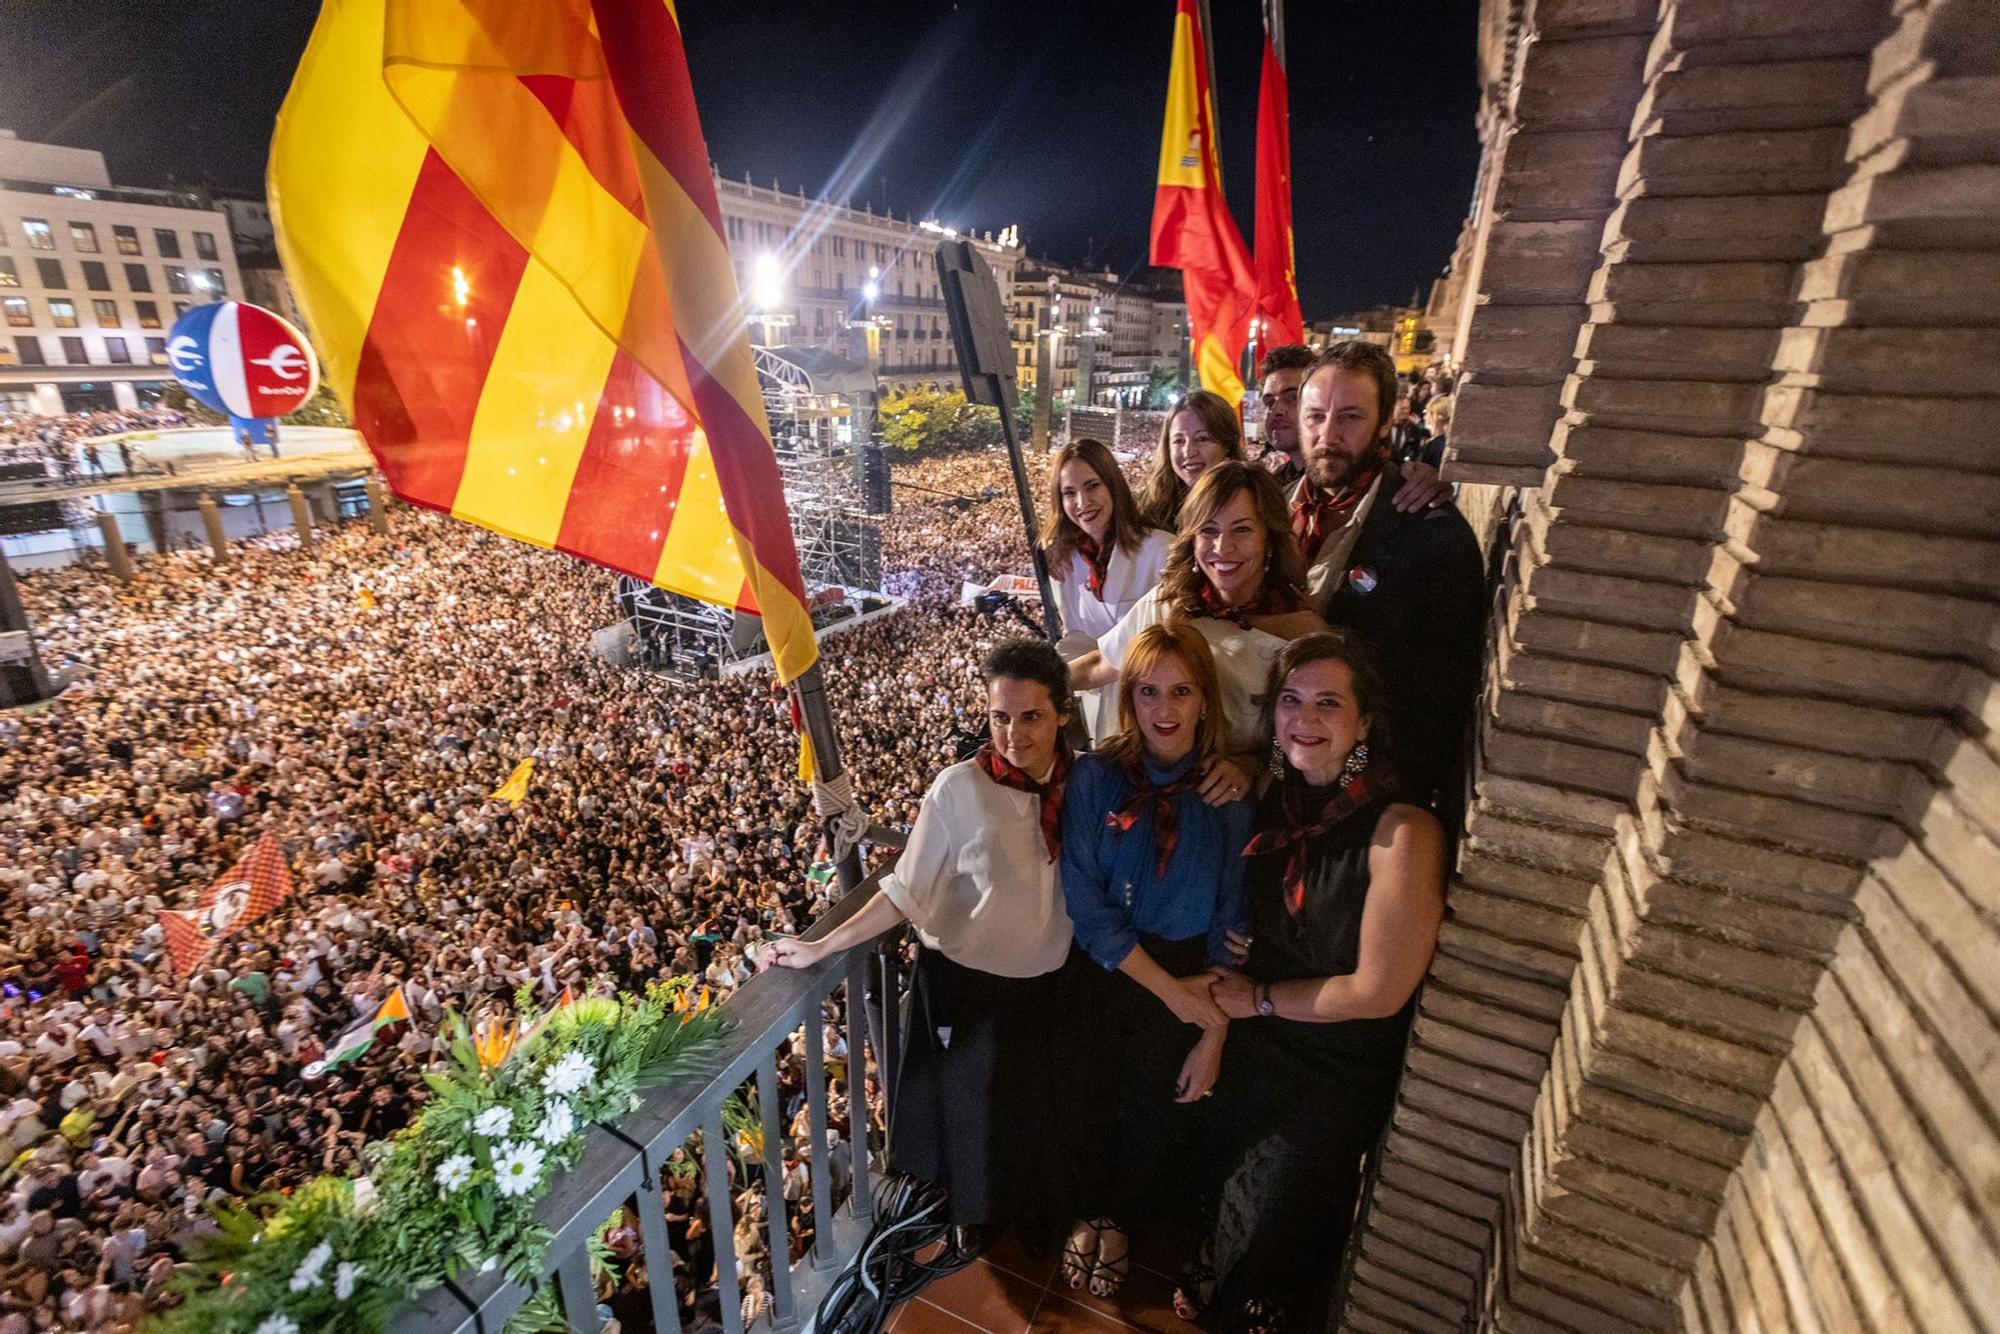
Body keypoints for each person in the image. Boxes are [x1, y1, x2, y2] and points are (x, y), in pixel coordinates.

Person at [1179, 632, 1445, 1333]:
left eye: (1329, 702)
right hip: (1264, 1035)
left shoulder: (1404, 831)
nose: (1305, 717)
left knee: (1276, 1221)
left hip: (1335, 1064)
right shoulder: (1281, 802)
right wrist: (1247, 954)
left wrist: (1259, 998)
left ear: (1364, 724)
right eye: (1291, 700)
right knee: (1215, 1164)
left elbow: (1377, 991)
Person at [769, 640, 1080, 1230]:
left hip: (1051, 986)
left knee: (1033, 1111)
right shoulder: (958, 788)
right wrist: (823, 944)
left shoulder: (1088, 782)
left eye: (1032, 716)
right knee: (970, 1118)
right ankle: (975, 1226)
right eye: (1000, 717)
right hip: (967, 988)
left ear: (1063, 712)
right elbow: (905, 889)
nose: (1013, 734)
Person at [1057, 625, 1251, 1298]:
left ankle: (1124, 1216)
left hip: (1189, 968)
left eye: (1180, 691)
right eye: (1147, 692)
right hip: (1109, 966)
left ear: (1204, 700)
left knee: (1155, 1105)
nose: (1163, 710)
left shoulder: (1228, 794)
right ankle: (1088, 1206)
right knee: (1089, 1093)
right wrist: (1170, 992)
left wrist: (1215, 1028)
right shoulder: (1096, 777)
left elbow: (1233, 921)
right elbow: (1085, 901)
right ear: (1127, 699)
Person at [1290, 340, 1485, 808]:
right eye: (1316, 416)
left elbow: (1439, 698)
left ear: (1383, 424)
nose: (1328, 435)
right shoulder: (1275, 511)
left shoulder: (1434, 536)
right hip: (1274, 771)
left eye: (1350, 417)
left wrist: (1380, 800)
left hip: (1360, 793)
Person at [1070, 462, 1326, 791]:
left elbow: (1312, 736)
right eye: (1208, 530)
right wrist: (1028, 686)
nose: (1222, 547)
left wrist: (1250, 765)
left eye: (1242, 529)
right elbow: (1103, 663)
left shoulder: (1301, 632)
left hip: (1237, 806)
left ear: (1269, 537)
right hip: (1151, 789)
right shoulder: (1167, 602)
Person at [1042, 438, 1172, 742]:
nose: (1082, 503)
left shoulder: (1162, 550)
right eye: (1069, 493)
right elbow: (1075, 637)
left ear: (1113, 484)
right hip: (1099, 717)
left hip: (1157, 715)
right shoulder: (1064, 563)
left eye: (1092, 486)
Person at [1135, 391, 1246, 531]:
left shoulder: (1253, 504)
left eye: (1202, 439)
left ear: (1228, 444)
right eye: (1179, 441)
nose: (1188, 452)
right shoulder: (1146, 511)